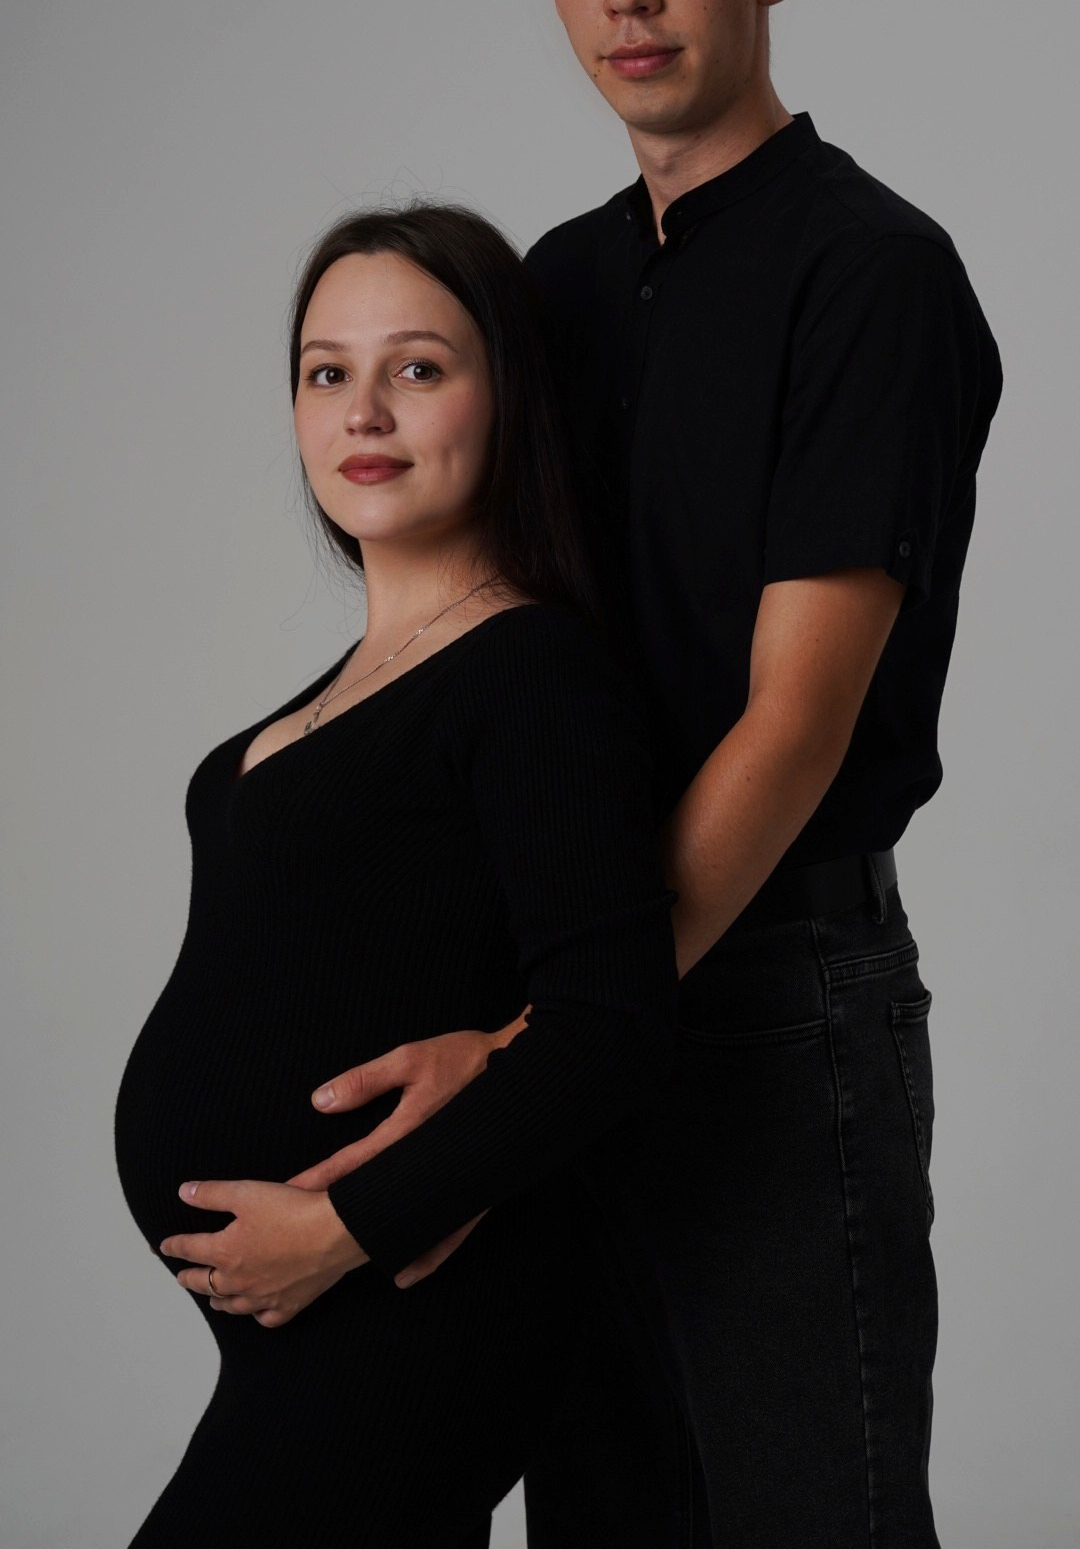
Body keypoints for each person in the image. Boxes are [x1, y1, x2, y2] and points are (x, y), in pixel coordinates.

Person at [282, 0, 1004, 1547]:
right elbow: (471, 645)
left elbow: (796, 724)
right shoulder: (553, 290)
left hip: (767, 1003)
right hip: (568, 1000)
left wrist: (541, 1044)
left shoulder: (871, 271)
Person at [112, 203, 681, 1548]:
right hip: (316, 1347)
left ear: (507, 398)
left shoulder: (532, 674)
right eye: (328, 372)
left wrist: (350, 1227)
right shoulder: (363, 682)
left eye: (417, 368)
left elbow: (610, 1022)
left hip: (413, 1319)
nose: (363, 411)